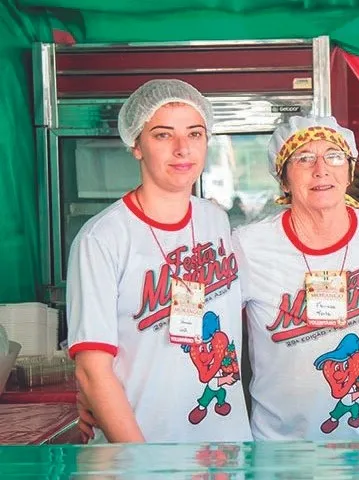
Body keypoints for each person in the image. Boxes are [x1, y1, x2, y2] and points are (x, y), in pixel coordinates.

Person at [67, 79, 252, 443]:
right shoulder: (102, 238)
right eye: (163, 135)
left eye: (195, 134)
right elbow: (92, 370)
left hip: (227, 446)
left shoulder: (216, 221)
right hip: (145, 447)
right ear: (136, 145)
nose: (183, 149)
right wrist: (142, 463)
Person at [232, 115, 359, 440]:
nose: (321, 169)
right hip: (282, 447)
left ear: (350, 170)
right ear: (283, 180)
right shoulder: (249, 245)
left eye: (334, 156)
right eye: (304, 158)